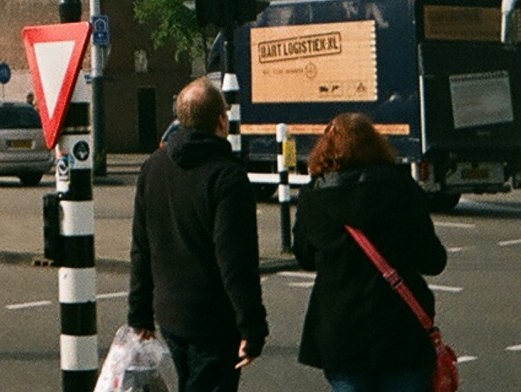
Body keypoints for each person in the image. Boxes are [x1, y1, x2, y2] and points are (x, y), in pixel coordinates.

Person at [128, 77, 267, 392]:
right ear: (221, 120)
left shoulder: (153, 168)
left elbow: (141, 247)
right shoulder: (227, 176)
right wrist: (252, 326)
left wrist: (140, 314)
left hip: (170, 315)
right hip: (214, 319)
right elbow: (235, 259)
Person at [293, 112, 448, 392]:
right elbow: (433, 260)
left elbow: (304, 256)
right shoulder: (402, 190)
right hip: (401, 331)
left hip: (341, 332)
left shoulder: (313, 197)